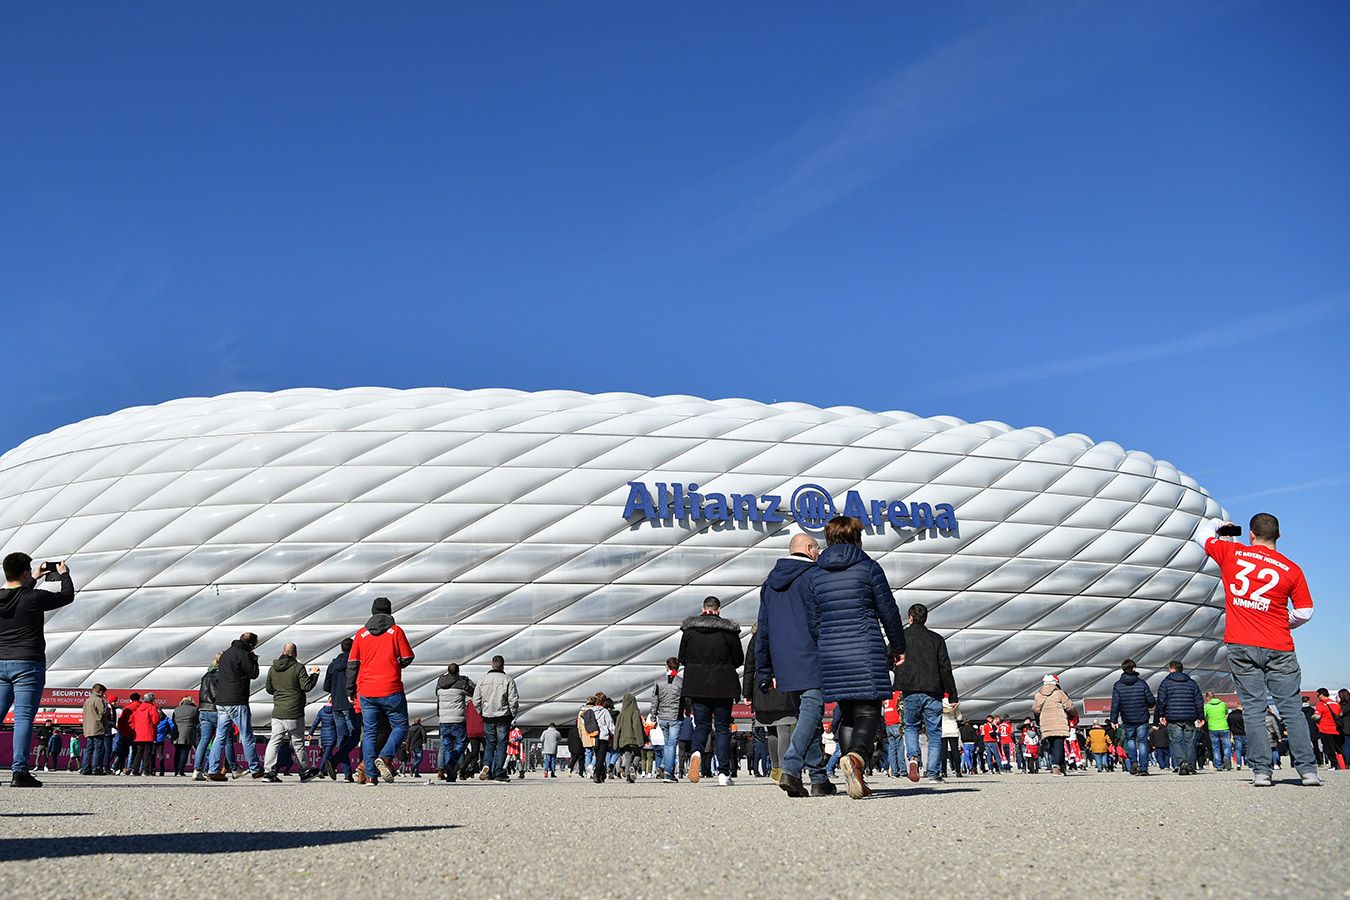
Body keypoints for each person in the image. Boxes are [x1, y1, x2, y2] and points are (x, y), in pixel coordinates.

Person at [1197, 514, 1320, 787]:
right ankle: (1308, 771)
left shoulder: (1233, 552)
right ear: (1279, 535)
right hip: (1279, 644)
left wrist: (1218, 523)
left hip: (1241, 644)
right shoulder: (1291, 568)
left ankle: (1262, 772)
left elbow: (1202, 536)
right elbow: (1305, 611)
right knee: (1291, 710)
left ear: (1251, 534)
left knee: (1253, 709)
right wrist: (1281, 622)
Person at [806, 516, 906, 800]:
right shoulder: (868, 568)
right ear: (856, 538)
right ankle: (857, 757)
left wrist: (821, 646)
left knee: (848, 711)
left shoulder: (816, 574)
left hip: (831, 651)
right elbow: (888, 611)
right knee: (869, 710)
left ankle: (856, 776)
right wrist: (898, 646)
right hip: (864, 647)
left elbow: (813, 620)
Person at [755, 533, 834, 798]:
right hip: (811, 653)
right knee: (813, 706)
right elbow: (820, 620)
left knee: (805, 716)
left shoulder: (769, 583)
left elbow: (763, 629)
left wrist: (765, 669)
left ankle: (819, 778)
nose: (820, 554)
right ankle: (790, 766)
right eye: (818, 549)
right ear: (810, 549)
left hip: (783, 660)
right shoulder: (814, 577)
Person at [0, 555, 75, 788]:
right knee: (23, 718)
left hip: (1, 662)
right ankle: (19, 772)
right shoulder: (34, 598)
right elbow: (67, 596)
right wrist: (64, 574)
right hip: (28, 664)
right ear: (24, 573)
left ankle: (19, 771)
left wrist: (32, 578)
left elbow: (16, 595)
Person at [347, 597, 415, 786]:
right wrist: (396, 663)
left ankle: (370, 776)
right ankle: (385, 757)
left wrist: (350, 689)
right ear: (390, 611)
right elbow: (408, 656)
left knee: (369, 733)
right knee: (400, 726)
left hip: (367, 691)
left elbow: (352, 664)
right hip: (391, 688)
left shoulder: (361, 635)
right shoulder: (396, 631)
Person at [678, 595, 744, 787]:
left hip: (697, 685)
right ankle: (723, 773)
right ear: (719, 609)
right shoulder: (729, 631)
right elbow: (738, 659)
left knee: (702, 725)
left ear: (703, 608)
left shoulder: (689, 631)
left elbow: (682, 658)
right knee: (723, 729)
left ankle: (697, 752)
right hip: (723, 685)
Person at [892, 602, 958, 784]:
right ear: (925, 618)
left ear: (910, 618)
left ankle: (913, 758)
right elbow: (945, 668)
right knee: (934, 733)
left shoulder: (901, 637)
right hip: (933, 690)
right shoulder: (936, 639)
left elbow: (890, 658)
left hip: (909, 689)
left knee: (911, 726)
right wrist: (952, 695)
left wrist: (897, 672)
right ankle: (933, 774)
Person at [742, 626, 795, 784]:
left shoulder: (756, 638)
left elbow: (749, 667)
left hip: (762, 688)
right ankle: (785, 769)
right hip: (783, 684)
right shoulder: (785, 632)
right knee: (784, 728)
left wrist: (747, 693)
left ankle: (775, 768)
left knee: (771, 730)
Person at [263, 642, 320, 782]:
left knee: (274, 741)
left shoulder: (273, 668)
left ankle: (268, 773)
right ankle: (304, 771)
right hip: (294, 711)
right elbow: (306, 686)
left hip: (277, 711)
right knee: (298, 742)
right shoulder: (298, 667)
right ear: (295, 653)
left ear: (283, 652)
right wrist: (314, 675)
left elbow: (269, 689)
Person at [211, 632, 265, 779]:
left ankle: (213, 770)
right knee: (246, 735)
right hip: (237, 700)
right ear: (251, 644)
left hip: (222, 701)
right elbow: (253, 673)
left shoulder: (225, 655)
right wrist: (254, 659)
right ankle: (255, 768)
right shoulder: (244, 654)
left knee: (220, 737)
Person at [473, 655, 519, 783]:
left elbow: (476, 700)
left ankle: (486, 765)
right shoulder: (508, 680)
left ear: (492, 664)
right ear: (503, 665)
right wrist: (513, 714)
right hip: (503, 716)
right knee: (502, 744)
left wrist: (481, 712)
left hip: (488, 716)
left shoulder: (482, 680)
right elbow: (513, 700)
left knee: (490, 743)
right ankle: (499, 771)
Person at [1156, 660, 1204, 776]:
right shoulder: (1192, 683)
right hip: (1189, 716)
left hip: (1173, 716)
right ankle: (1190, 765)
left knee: (1175, 741)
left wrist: (1161, 715)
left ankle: (1182, 763)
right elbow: (1198, 701)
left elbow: (1161, 700)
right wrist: (1200, 716)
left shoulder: (1166, 683)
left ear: (1172, 669)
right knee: (1190, 742)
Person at [1109, 659, 1156, 776]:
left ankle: (1133, 762)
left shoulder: (1118, 685)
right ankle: (1144, 768)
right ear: (1134, 668)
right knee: (1143, 742)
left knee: (1130, 740)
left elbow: (1115, 704)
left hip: (1128, 718)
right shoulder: (1142, 683)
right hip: (1142, 717)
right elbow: (1151, 701)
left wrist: (1113, 719)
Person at [323, 638, 359, 781]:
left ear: (341, 648)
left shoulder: (332, 665)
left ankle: (347, 773)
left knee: (342, 738)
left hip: (336, 705)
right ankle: (336, 761)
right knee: (355, 736)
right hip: (350, 704)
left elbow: (326, 687)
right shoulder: (354, 664)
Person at [433, 663, 475, 782]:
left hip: (444, 720)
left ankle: (450, 774)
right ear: (458, 672)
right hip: (458, 720)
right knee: (462, 743)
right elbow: (474, 692)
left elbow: (437, 694)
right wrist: (467, 681)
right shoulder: (461, 684)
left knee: (447, 747)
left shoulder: (440, 684)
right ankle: (451, 765)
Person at [648, 656, 684, 783]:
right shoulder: (681, 682)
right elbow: (686, 700)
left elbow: (654, 700)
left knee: (667, 744)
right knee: (672, 745)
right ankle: (669, 772)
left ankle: (665, 767)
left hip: (662, 717)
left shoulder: (659, 681)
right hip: (676, 717)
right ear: (678, 668)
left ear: (666, 666)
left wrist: (653, 716)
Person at [1031, 676, 1075, 776]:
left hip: (1045, 722)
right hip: (1059, 720)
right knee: (1059, 743)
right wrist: (1073, 714)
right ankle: (1057, 766)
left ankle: (1056, 765)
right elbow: (1069, 706)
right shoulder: (1059, 693)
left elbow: (1035, 709)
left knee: (1051, 744)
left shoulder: (1038, 695)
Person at [193, 654, 222, 781]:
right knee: (220, 739)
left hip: (203, 709)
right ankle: (213, 769)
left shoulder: (205, 676)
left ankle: (196, 770)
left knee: (204, 740)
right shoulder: (221, 676)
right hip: (215, 709)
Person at [614, 692, 645, 783]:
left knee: (628, 756)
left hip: (623, 740)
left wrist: (615, 743)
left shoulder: (621, 715)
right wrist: (641, 741)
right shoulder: (635, 712)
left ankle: (628, 777)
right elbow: (637, 727)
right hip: (634, 739)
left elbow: (617, 730)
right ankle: (634, 766)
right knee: (638, 754)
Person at [585, 693, 615, 783]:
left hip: (593, 736)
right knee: (601, 757)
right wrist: (615, 734)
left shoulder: (590, 711)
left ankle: (601, 774)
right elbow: (610, 725)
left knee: (597, 756)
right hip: (603, 737)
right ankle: (597, 775)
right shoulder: (604, 711)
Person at [1311, 689, 1344, 769]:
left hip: (1325, 729)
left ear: (1322, 695)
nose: (1318, 697)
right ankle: (1343, 764)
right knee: (1338, 748)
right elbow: (1340, 714)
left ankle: (1334, 764)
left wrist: (1312, 717)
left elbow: (1317, 716)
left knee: (1329, 748)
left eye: (1318, 695)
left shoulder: (1321, 704)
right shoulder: (1336, 704)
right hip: (1336, 729)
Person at [81, 684, 109, 775]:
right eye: (103, 693)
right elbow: (103, 713)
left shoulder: (87, 701)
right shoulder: (98, 700)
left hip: (88, 728)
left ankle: (85, 768)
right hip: (97, 727)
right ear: (100, 692)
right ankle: (96, 768)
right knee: (98, 749)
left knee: (89, 749)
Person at [1202, 692, 1233, 771]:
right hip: (1224, 727)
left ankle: (1218, 765)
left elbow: (1204, 717)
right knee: (1227, 745)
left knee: (1216, 748)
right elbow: (1226, 713)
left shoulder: (1206, 706)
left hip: (1213, 728)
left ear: (1207, 698)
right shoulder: (1223, 704)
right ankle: (1226, 757)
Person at [308, 698, 336, 779]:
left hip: (323, 734)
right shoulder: (335, 711)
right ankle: (320, 770)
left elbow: (315, 723)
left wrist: (310, 733)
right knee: (327, 754)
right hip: (332, 734)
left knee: (327, 753)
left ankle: (325, 770)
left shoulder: (321, 711)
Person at [172, 697, 199, 777]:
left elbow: (173, 720)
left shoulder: (176, 709)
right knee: (185, 751)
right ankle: (181, 770)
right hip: (188, 731)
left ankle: (176, 771)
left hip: (177, 732)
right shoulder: (195, 709)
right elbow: (197, 721)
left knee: (177, 752)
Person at [1228, 704, 1247, 769]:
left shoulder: (1231, 715)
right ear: (1241, 707)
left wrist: (1231, 732)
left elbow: (1229, 725)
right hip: (1245, 733)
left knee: (1238, 749)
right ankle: (1247, 762)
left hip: (1236, 733)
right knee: (1247, 749)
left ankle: (1238, 764)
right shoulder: (1244, 715)